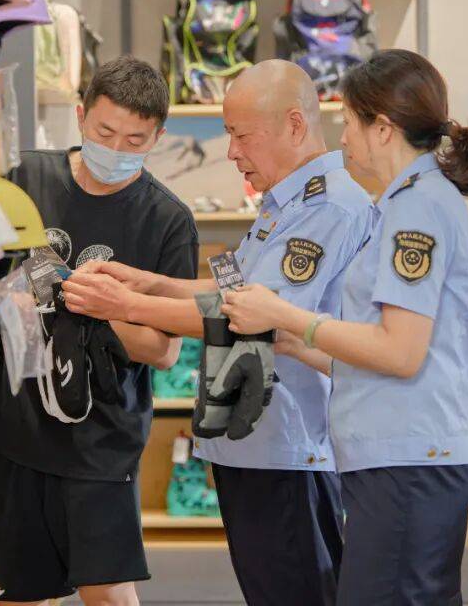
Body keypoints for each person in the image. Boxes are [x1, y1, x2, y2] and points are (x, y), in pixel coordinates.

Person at [62, 60, 375, 605]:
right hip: (257, 442)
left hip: (289, 447)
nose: (230, 151)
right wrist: (152, 283)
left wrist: (127, 304)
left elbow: (250, 318)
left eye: (241, 135)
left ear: (294, 125)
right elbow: (233, 291)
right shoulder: (286, 203)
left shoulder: (327, 207)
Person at [220, 49, 468, 605]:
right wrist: (296, 341)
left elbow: (400, 352)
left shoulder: (416, 207)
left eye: (349, 122)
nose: (341, 139)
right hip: (393, 457)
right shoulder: (403, 204)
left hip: (408, 459)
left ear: (383, 129)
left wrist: (289, 317)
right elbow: (376, 348)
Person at [0, 55, 199, 606]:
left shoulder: (168, 220)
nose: (116, 149)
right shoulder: (25, 179)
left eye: (135, 140)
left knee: (109, 594)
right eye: (104, 133)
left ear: (158, 137)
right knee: (17, 595)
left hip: (103, 442)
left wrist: (100, 309)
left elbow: (164, 351)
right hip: (19, 431)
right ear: (81, 116)